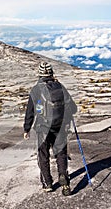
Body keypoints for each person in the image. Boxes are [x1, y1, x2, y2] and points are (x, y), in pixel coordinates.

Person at [23, 62, 77, 196]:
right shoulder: (60, 86)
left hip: (43, 128)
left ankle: (47, 183)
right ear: (51, 73)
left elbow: (30, 111)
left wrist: (27, 129)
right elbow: (73, 108)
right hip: (60, 127)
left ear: (40, 74)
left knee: (43, 155)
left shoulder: (36, 89)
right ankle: (64, 180)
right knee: (61, 154)